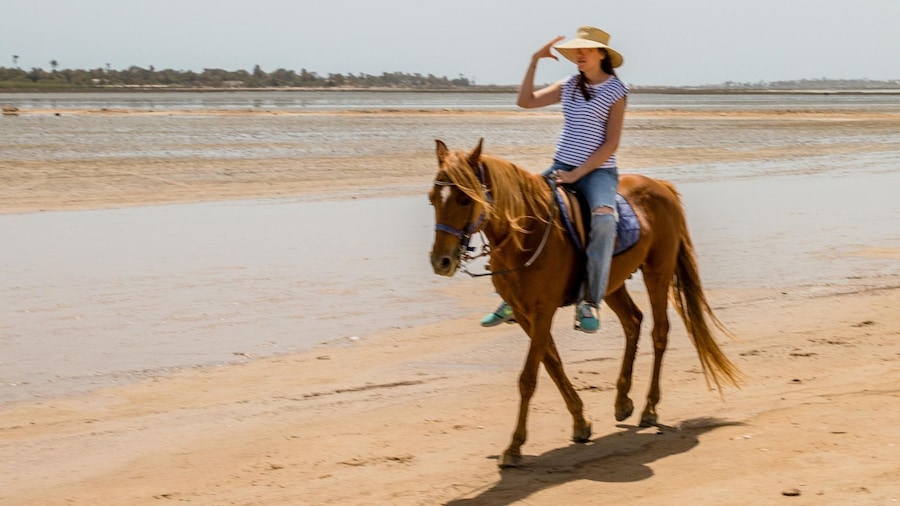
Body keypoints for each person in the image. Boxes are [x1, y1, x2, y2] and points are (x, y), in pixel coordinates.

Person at [480, 26, 627, 333]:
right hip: (560, 165)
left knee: (603, 220)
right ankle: (508, 297)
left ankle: (590, 302)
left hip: (598, 172)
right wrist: (534, 60)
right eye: (576, 50)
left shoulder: (616, 90)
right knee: (515, 213)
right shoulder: (570, 84)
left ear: (602, 54)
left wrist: (577, 174)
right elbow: (525, 101)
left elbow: (611, 144)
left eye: (585, 50)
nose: (579, 55)